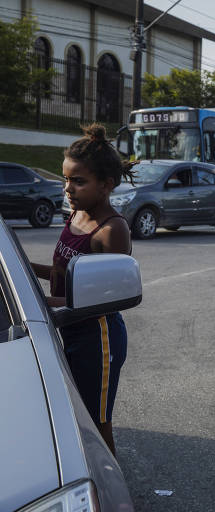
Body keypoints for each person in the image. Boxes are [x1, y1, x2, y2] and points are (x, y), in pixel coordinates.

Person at [31, 123, 134, 455]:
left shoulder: (112, 230)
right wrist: (22, 269)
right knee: (71, 415)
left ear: (106, 185)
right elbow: (63, 273)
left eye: (78, 181)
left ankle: (111, 492)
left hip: (98, 340)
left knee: (96, 421)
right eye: (65, 179)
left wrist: (45, 302)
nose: (68, 188)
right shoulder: (76, 214)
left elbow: (109, 295)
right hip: (69, 330)